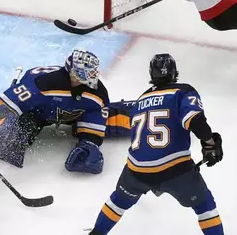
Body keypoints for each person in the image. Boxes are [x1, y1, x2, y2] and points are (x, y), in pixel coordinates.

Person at [89, 54, 224, 235]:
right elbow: (195, 120)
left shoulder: (140, 100)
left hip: (136, 170)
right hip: (175, 169)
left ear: (151, 74)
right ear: (175, 72)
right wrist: (209, 144)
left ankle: (97, 233)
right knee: (205, 205)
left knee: (118, 201)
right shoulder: (182, 91)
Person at [0, 49, 111, 174]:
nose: (91, 77)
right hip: (38, 110)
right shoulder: (43, 83)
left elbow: (96, 112)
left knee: (116, 120)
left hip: (70, 113)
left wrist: (90, 143)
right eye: (84, 73)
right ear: (71, 72)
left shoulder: (98, 93)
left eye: (92, 73)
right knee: (9, 146)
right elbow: (8, 103)